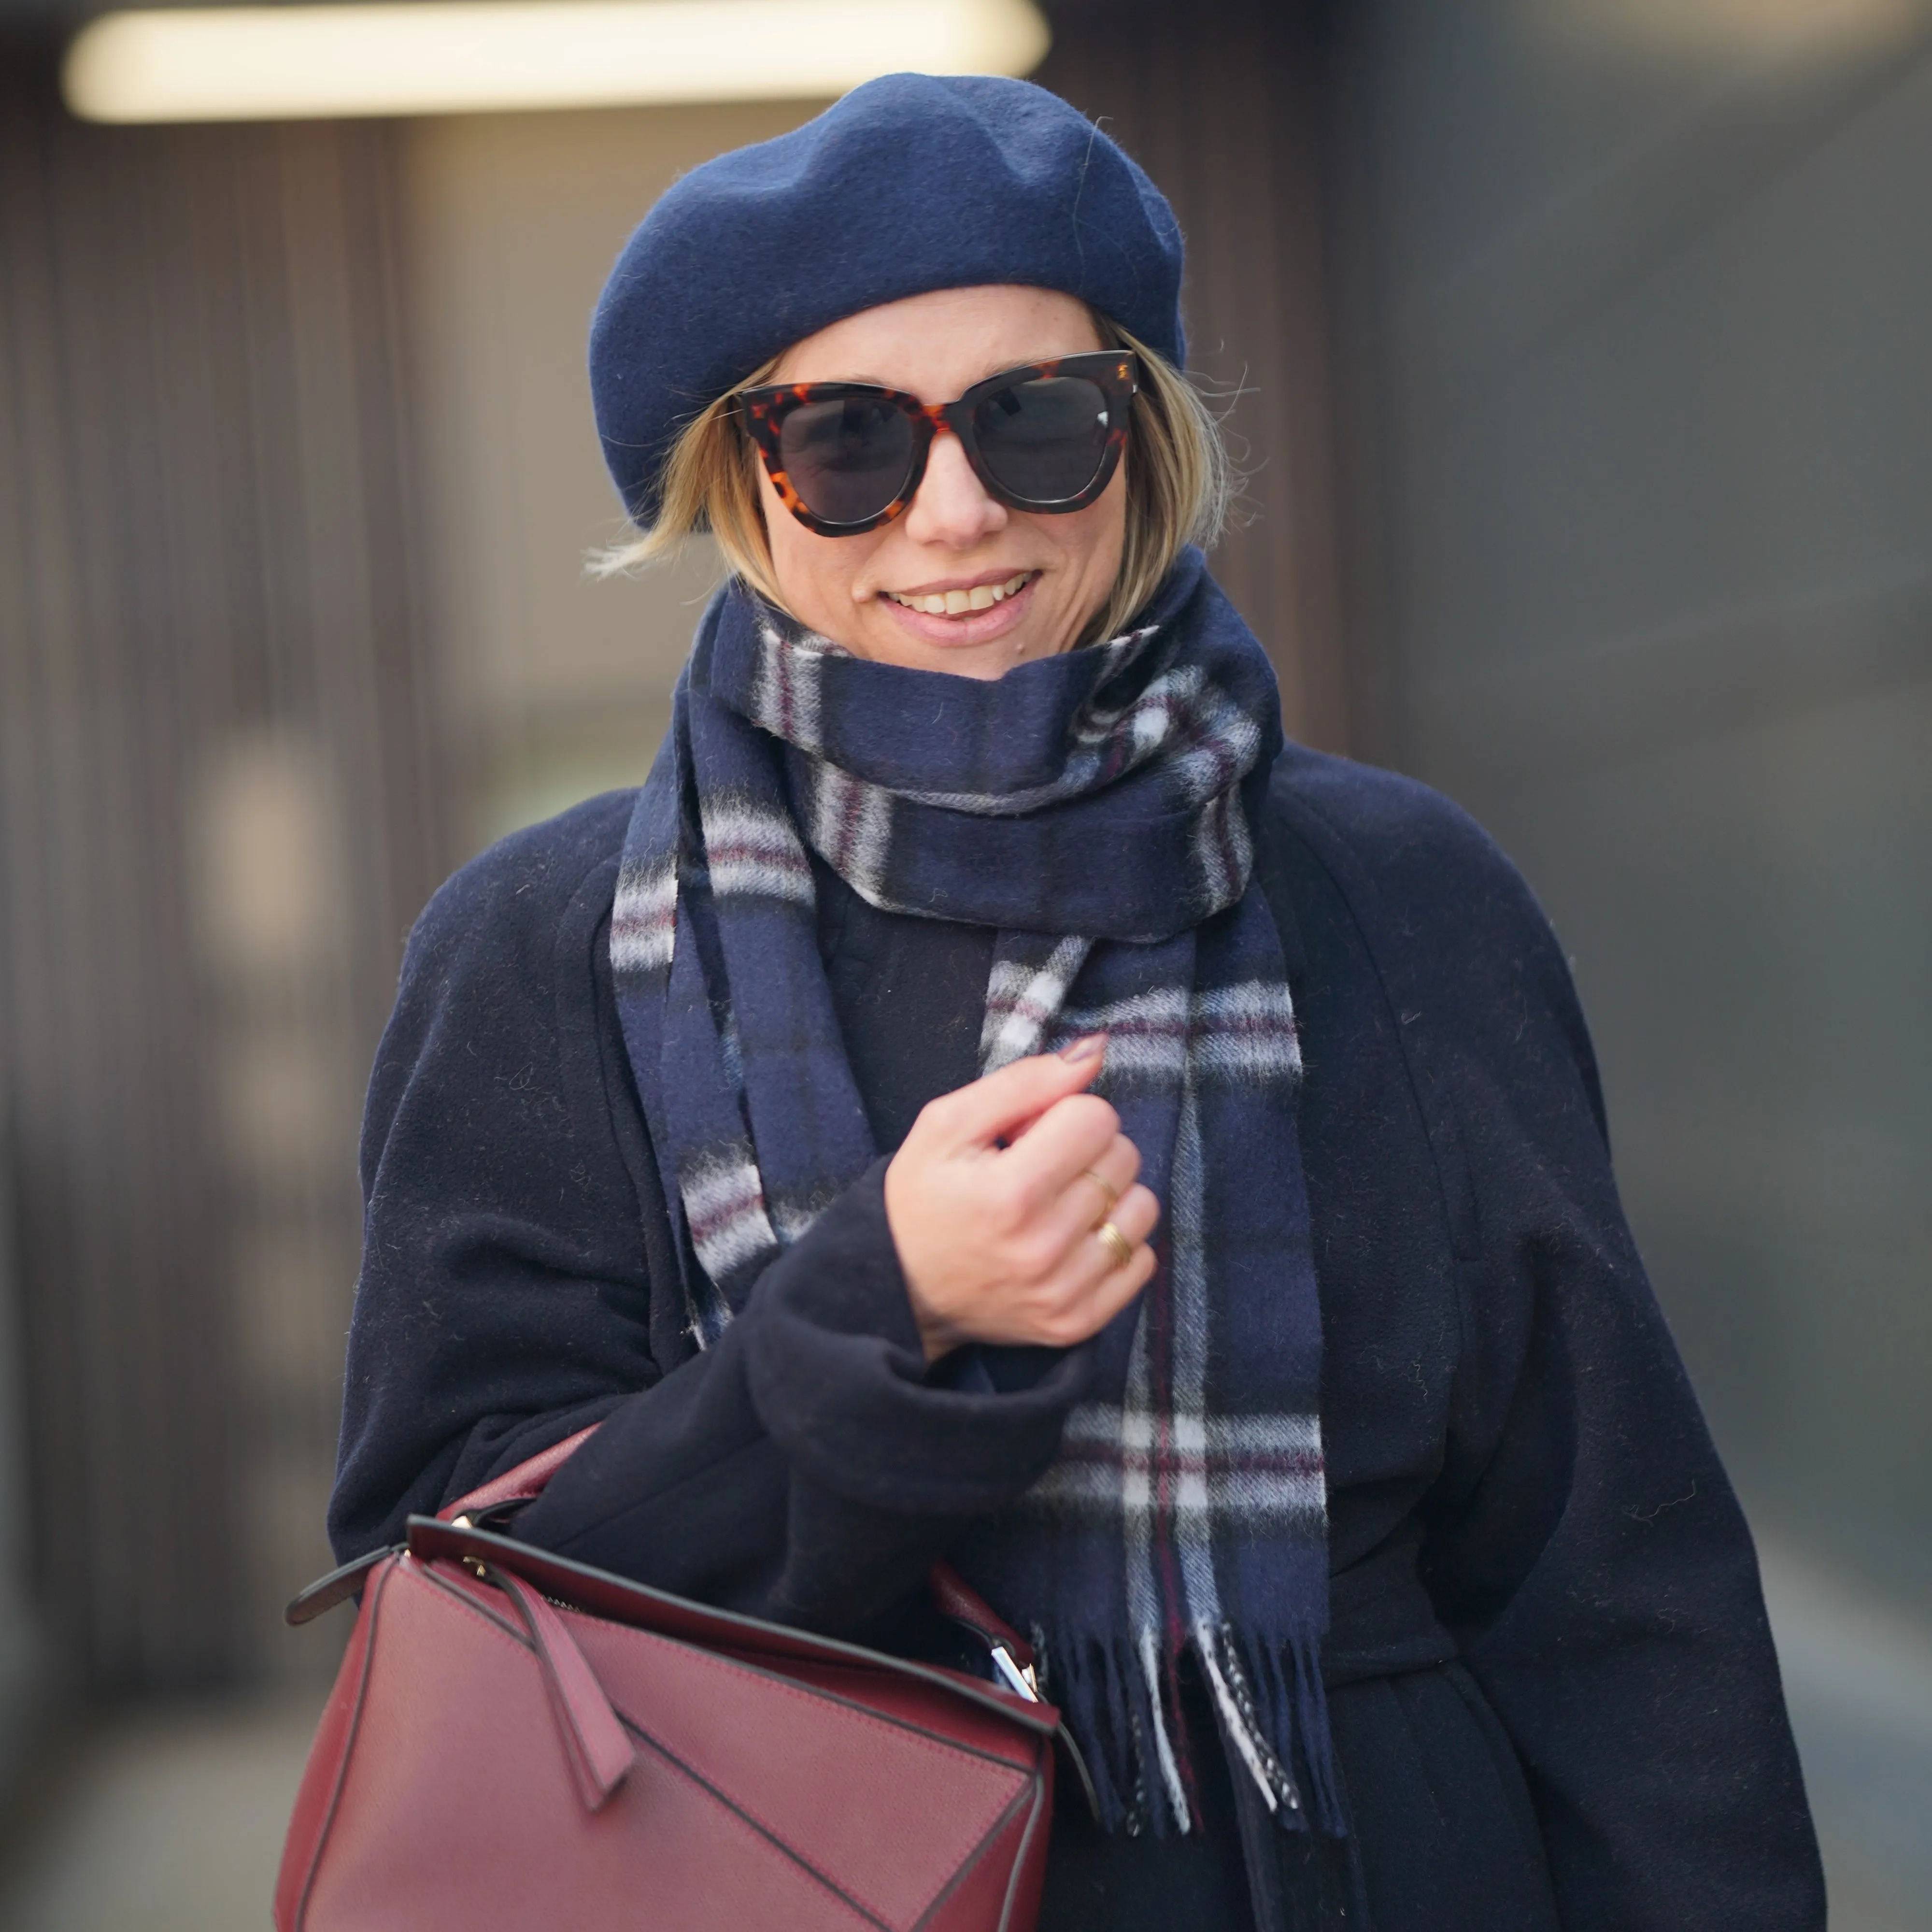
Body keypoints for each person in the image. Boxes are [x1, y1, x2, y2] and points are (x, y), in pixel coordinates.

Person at [328, 73, 1825, 1932]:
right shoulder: (541, 946)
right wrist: (884, 1312)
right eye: (850, 442)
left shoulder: (1400, 896)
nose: (953, 513)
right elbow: (462, 1580)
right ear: (741, 478)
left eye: (1036, 421)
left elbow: (1619, 1588)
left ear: (1142, 437)